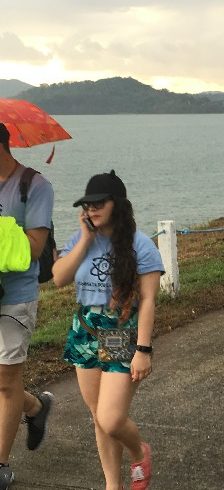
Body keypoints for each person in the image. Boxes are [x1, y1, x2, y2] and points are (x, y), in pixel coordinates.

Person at [52, 170, 164, 489]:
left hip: (118, 332)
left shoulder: (140, 245)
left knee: (111, 418)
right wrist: (85, 240)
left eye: (99, 203)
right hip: (86, 328)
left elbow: (148, 301)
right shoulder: (82, 240)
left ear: (118, 204)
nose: (92, 209)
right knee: (97, 416)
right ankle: (112, 485)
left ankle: (139, 450)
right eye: (87, 205)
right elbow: (59, 277)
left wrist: (143, 350)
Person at [0, 123, 55, 489]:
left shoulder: (34, 186)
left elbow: (34, 247)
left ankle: (0, 465)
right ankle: (35, 408)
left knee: (5, 381)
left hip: (15, 296)